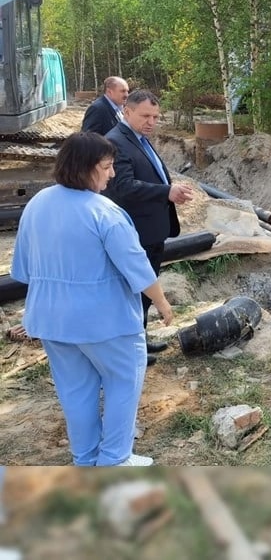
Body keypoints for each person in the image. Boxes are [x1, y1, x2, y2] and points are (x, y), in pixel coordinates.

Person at [10, 132, 172, 466]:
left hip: (51, 320)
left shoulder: (37, 204)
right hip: (105, 322)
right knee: (122, 382)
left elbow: (23, 270)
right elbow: (137, 266)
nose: (111, 174)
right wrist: (162, 303)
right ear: (85, 167)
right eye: (106, 166)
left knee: (75, 390)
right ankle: (114, 460)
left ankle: (85, 459)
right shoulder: (105, 212)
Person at [104, 89, 193, 366]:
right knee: (133, 292)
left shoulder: (138, 138)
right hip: (136, 232)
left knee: (144, 292)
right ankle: (129, 349)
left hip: (152, 231)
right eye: (145, 116)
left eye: (155, 117)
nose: (151, 122)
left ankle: (138, 340)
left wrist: (167, 189)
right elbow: (123, 187)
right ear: (127, 111)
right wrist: (166, 191)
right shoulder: (115, 141)